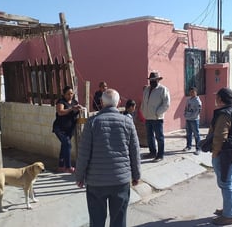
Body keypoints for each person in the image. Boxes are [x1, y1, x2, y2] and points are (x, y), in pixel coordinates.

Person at [75, 88, 141, 227]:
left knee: (97, 221)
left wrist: (79, 176)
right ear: (119, 103)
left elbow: (83, 152)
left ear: (101, 102)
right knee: (119, 221)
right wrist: (136, 175)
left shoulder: (92, 122)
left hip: (96, 181)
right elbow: (135, 152)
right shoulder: (128, 123)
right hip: (120, 180)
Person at [209, 88, 232, 226]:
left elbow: (220, 136)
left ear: (220, 99)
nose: (215, 99)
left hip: (223, 153)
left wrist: (215, 153)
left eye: (217, 97)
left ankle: (228, 216)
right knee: (231, 181)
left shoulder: (224, 114)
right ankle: (230, 209)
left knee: (225, 183)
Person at [141, 71, 170, 162]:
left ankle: (160, 155)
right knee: (149, 136)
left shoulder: (163, 89)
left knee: (159, 137)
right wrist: (143, 111)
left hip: (157, 118)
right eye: (151, 80)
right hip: (148, 117)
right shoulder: (146, 89)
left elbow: (166, 104)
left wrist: (158, 112)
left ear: (158, 80)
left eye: (154, 80)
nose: (152, 82)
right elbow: (144, 102)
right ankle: (152, 152)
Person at [52, 85, 82, 173]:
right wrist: (71, 109)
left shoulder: (74, 102)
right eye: (68, 94)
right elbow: (60, 112)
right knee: (68, 144)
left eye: (71, 93)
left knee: (64, 145)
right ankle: (68, 167)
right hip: (60, 128)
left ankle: (61, 166)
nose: (70, 95)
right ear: (64, 94)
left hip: (70, 128)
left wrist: (79, 109)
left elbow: (76, 111)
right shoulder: (61, 102)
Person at [183, 87, 202, 155]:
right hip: (188, 119)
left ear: (196, 92)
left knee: (196, 134)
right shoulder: (188, 100)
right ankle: (188, 146)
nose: (191, 93)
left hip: (194, 120)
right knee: (188, 133)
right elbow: (186, 108)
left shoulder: (198, 101)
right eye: (190, 92)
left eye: (193, 92)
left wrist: (191, 116)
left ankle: (198, 148)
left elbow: (198, 111)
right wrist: (185, 114)